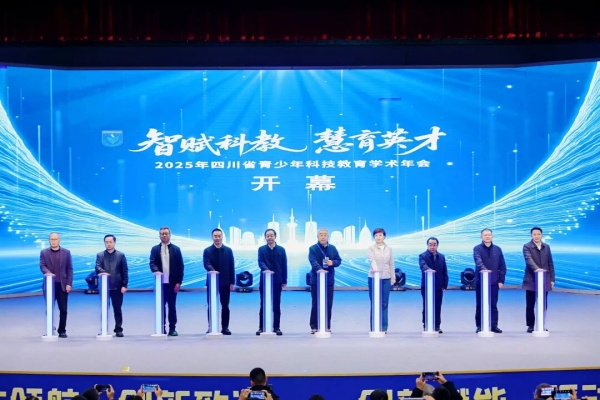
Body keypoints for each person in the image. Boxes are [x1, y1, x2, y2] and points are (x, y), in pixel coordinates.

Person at [149, 226, 185, 336]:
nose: (164, 235)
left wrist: (179, 282)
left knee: (172, 307)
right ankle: (161, 328)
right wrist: (156, 271)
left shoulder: (176, 249)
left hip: (172, 284)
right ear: (159, 236)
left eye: (166, 233)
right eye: (162, 234)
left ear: (170, 235)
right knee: (161, 307)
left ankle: (172, 328)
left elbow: (180, 266)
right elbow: (152, 263)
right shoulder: (155, 249)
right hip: (160, 284)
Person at [39, 232, 73, 338]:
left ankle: (62, 330)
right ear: (49, 240)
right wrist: (48, 273)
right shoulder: (44, 252)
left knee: (63, 310)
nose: (53, 241)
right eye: (51, 239)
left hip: (62, 285)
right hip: (49, 285)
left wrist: (69, 283)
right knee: (49, 309)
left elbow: (69, 269)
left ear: (59, 240)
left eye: (55, 239)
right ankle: (50, 328)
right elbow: (42, 265)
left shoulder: (66, 252)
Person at [308, 228, 342, 333]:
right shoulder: (313, 248)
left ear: (328, 237)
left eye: (325, 235)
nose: (323, 236)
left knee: (328, 303)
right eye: (321, 235)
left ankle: (326, 326)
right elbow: (312, 261)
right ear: (317, 237)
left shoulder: (332, 248)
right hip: (316, 280)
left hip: (329, 280)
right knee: (316, 303)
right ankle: (314, 326)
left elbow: (338, 260)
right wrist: (320, 269)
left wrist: (333, 262)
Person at [473, 228, 506, 333]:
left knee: (493, 305)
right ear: (481, 237)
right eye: (485, 235)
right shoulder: (477, 249)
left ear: (492, 236)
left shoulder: (498, 249)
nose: (487, 236)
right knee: (480, 304)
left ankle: (493, 325)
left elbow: (502, 265)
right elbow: (478, 262)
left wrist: (501, 280)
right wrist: (485, 270)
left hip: (494, 282)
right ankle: (480, 325)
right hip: (481, 281)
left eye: (489, 235)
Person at [522, 227, 555, 333]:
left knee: (543, 304)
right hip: (531, 279)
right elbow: (528, 260)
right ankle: (530, 325)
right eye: (534, 234)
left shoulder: (546, 247)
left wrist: (552, 279)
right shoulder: (527, 246)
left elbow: (550, 263)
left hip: (545, 279)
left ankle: (541, 325)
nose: (536, 236)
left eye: (538, 234)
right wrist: (537, 269)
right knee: (530, 304)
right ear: (531, 235)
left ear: (541, 235)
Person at [203, 228, 236, 335]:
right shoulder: (207, 251)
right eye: (215, 236)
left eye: (219, 236)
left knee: (225, 306)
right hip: (212, 282)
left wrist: (232, 282)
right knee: (211, 305)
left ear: (222, 237)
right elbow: (206, 263)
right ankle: (211, 327)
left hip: (225, 282)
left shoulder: (228, 250)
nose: (217, 238)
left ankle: (225, 327)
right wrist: (213, 271)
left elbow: (231, 266)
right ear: (212, 237)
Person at [95, 234, 129, 337]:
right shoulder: (100, 255)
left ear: (114, 242)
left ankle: (118, 329)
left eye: (110, 242)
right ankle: (104, 329)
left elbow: (124, 271)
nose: (108, 244)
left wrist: (124, 285)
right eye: (106, 242)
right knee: (104, 309)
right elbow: (97, 267)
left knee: (117, 309)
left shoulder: (121, 255)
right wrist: (104, 272)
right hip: (104, 287)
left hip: (117, 286)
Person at [257, 229, 288, 336]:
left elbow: (284, 265)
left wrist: (284, 280)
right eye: (268, 236)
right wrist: (266, 270)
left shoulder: (281, 250)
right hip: (264, 280)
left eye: (271, 235)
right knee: (263, 304)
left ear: (275, 237)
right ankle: (262, 327)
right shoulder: (261, 249)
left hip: (277, 281)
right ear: (265, 237)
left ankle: (276, 327)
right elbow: (260, 262)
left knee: (276, 305)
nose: (270, 237)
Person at [367, 227, 395, 333]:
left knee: (384, 303)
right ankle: (374, 326)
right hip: (374, 278)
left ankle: (383, 327)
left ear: (384, 236)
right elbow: (372, 260)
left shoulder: (389, 249)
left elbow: (391, 264)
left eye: (380, 235)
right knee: (374, 302)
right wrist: (376, 270)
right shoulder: (371, 248)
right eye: (376, 235)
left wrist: (393, 277)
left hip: (386, 278)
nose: (378, 237)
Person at [419, 237, 449, 333]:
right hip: (426, 286)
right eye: (430, 245)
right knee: (427, 305)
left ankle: (437, 326)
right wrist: (429, 270)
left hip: (438, 286)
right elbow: (423, 265)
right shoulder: (422, 256)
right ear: (427, 245)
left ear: (437, 245)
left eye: (434, 245)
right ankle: (426, 325)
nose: (432, 247)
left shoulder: (442, 257)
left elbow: (444, 271)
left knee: (437, 306)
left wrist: (445, 284)